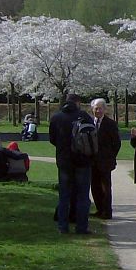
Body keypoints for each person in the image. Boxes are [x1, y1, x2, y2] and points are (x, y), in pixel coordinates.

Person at [50, 93, 94, 235]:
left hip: (64, 161)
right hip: (82, 161)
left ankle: (63, 227)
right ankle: (81, 227)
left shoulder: (56, 117)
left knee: (64, 195)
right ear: (78, 102)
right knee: (82, 196)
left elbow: (52, 139)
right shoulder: (84, 116)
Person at [89, 98, 121, 220]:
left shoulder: (111, 124)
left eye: (100, 108)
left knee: (105, 187)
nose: (98, 111)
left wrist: (110, 157)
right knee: (95, 186)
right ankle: (99, 209)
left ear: (105, 109)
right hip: (92, 161)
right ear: (92, 109)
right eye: (96, 108)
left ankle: (107, 211)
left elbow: (116, 143)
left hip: (105, 161)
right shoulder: (89, 123)